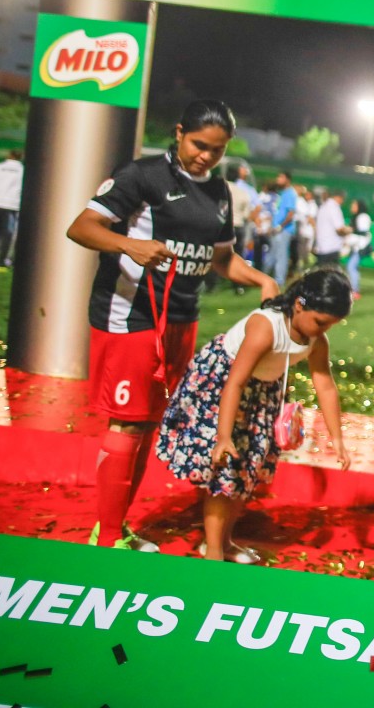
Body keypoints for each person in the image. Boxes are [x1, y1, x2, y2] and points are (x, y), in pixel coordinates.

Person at [66, 101, 279, 553]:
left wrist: (261, 278)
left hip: (181, 320)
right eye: (200, 145)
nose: (206, 156)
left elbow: (221, 260)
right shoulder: (141, 175)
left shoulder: (220, 192)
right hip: (130, 315)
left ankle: (118, 527)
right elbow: (81, 227)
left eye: (217, 150)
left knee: (145, 424)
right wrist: (130, 244)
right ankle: (105, 538)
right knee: (126, 424)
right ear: (179, 132)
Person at [157, 269, 352, 562]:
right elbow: (234, 382)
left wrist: (337, 438)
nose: (322, 330)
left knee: (247, 472)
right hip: (222, 388)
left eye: (330, 325)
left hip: (261, 392)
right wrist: (223, 437)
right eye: (320, 321)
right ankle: (212, 552)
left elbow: (325, 384)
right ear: (299, 304)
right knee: (223, 475)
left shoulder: (316, 340)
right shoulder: (266, 327)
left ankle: (224, 542)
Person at [267, 172, 298, 287]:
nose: (278, 179)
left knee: (281, 256)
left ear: (287, 179)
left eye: (281, 177)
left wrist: (280, 226)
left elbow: (291, 213)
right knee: (273, 254)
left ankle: (279, 280)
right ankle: (267, 276)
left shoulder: (290, 193)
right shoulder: (282, 193)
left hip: (284, 230)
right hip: (276, 229)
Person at [313, 188, 349, 266]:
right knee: (331, 274)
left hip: (322, 245)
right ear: (340, 197)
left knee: (322, 272)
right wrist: (348, 232)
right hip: (331, 248)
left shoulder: (323, 206)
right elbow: (339, 229)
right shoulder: (334, 207)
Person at [343, 197, 371, 294]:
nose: (352, 207)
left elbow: (362, 232)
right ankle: (353, 288)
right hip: (356, 246)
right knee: (352, 267)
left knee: (351, 267)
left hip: (360, 246)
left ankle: (355, 290)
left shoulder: (363, 216)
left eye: (354, 205)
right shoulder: (356, 216)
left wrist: (349, 232)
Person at [294, 185, 318, 273]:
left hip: (308, 232)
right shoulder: (306, 204)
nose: (306, 196)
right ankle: (302, 268)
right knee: (301, 251)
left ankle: (308, 267)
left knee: (305, 252)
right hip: (304, 231)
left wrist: (315, 231)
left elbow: (310, 219)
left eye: (308, 195)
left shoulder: (313, 206)